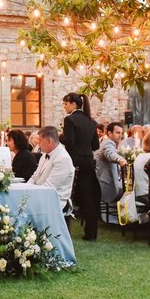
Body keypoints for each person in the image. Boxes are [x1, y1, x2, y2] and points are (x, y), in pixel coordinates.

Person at [60, 92, 101, 240]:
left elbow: (69, 141)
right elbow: (96, 145)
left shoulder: (69, 119)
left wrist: (60, 136)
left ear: (73, 104)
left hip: (74, 161)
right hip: (88, 162)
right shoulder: (91, 121)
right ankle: (91, 232)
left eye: (65, 103)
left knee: (66, 194)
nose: (64, 107)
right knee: (88, 198)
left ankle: (64, 229)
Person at [29, 125, 75, 210]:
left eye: (40, 141)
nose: (38, 144)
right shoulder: (44, 155)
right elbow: (34, 177)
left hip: (56, 201)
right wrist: (25, 191)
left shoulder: (63, 159)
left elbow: (49, 187)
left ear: (49, 141)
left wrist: (30, 195)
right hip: (41, 196)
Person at [95, 121, 128, 205]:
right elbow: (110, 154)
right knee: (131, 188)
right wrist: (120, 159)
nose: (120, 135)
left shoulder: (107, 142)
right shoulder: (108, 143)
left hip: (101, 181)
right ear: (109, 133)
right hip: (105, 185)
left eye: (121, 133)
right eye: (117, 132)